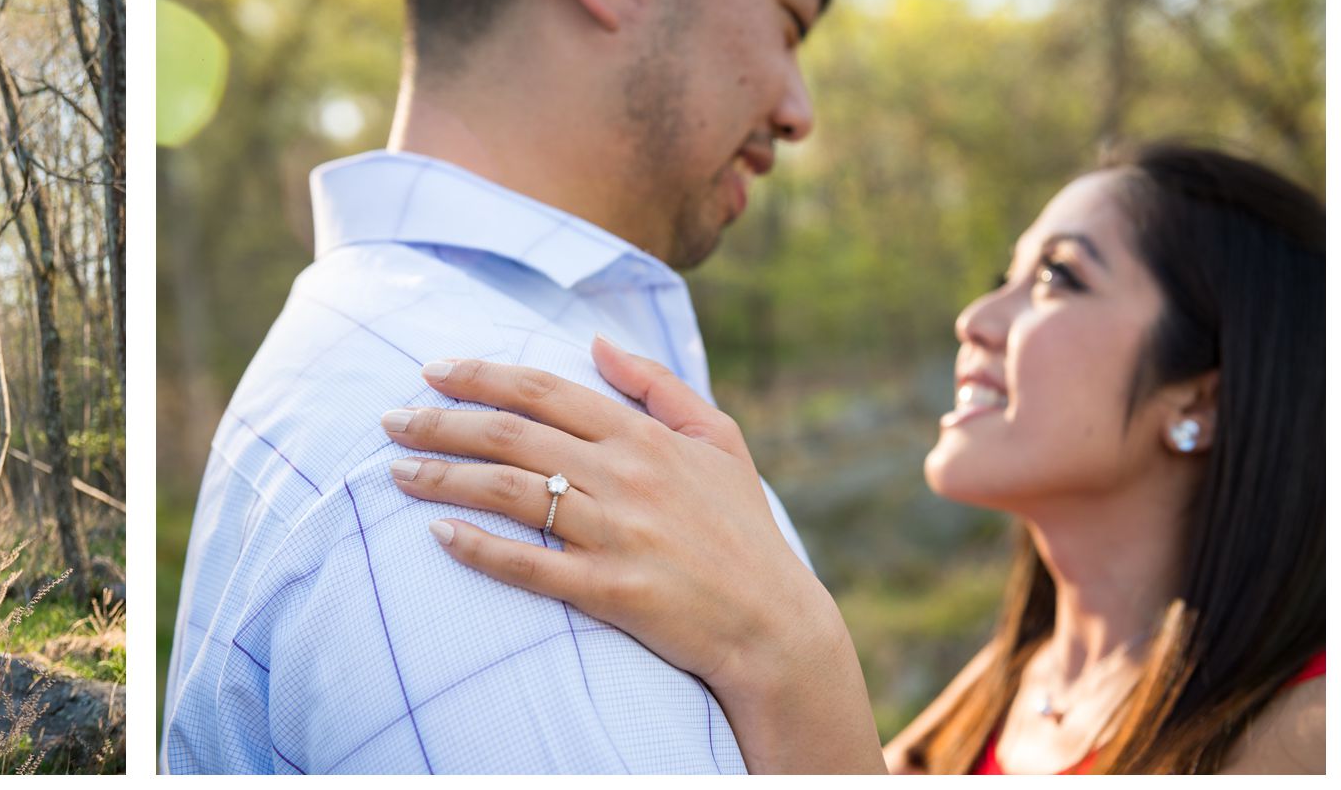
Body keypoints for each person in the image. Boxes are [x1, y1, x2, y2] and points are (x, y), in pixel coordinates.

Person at [402, 144, 1324, 773]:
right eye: (1003, 275)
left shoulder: (1307, 737)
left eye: (1057, 279)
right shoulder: (1006, 688)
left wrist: (788, 645)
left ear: (1199, 393)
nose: (975, 320)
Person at [163, 0, 827, 773]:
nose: (799, 111)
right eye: (787, 22)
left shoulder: (351, 344)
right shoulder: (481, 439)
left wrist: (798, 652)